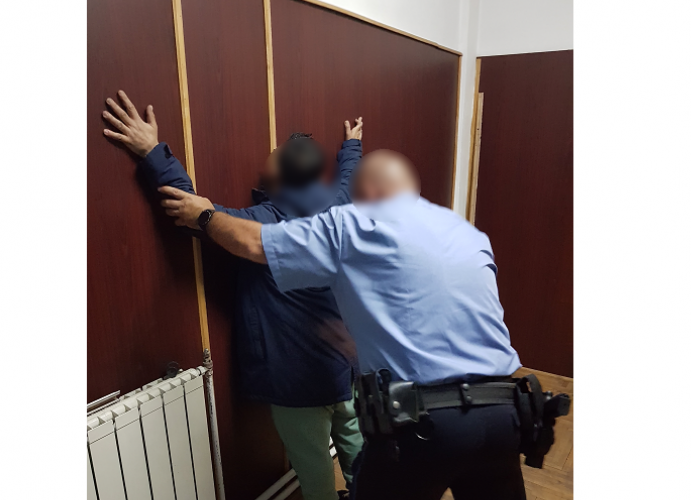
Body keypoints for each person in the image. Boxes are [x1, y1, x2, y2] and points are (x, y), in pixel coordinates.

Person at [157, 149, 528, 500]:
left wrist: (204, 215)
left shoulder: (352, 222)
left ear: (367, 193)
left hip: (423, 419)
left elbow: (253, 243)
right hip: (503, 412)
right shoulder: (465, 232)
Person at [102, 90, 364, 500]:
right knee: (359, 455)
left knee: (316, 479)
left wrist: (152, 150)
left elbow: (193, 211)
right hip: (343, 373)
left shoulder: (261, 224)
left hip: (298, 390)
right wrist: (352, 147)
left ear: (279, 174)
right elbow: (349, 176)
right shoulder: (340, 203)